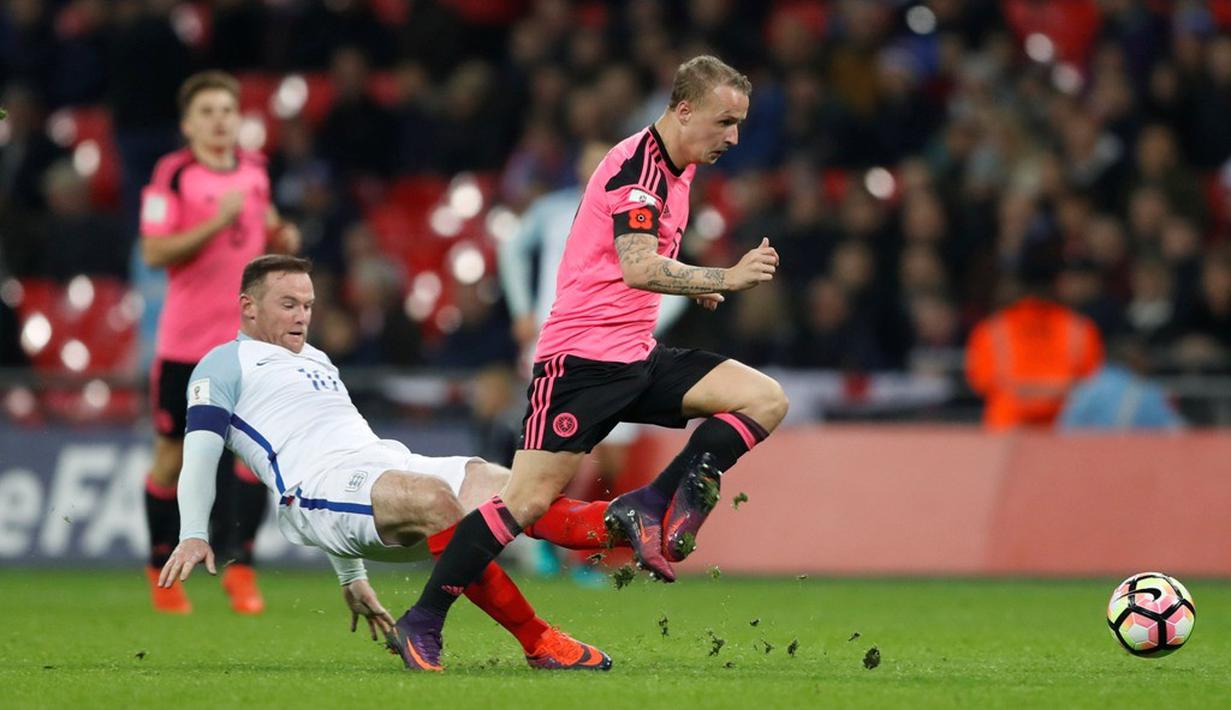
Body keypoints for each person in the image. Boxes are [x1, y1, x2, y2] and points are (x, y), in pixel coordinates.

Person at [393, 55, 789, 670]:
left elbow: (631, 265)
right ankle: (422, 619)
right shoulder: (639, 172)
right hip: (581, 364)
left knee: (765, 398)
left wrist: (694, 285)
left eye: (738, 124)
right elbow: (636, 264)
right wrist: (725, 277)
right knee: (521, 503)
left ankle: (656, 500)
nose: (733, 137)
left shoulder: (678, 166)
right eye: (724, 122)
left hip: (638, 354)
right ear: (684, 110)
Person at [159, 255, 620, 671]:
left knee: (506, 485)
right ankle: (540, 641)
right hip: (310, 492)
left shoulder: (318, 359)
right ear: (249, 306)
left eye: (308, 304)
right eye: (288, 304)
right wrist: (193, 533)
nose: (302, 316)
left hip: (382, 464)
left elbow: (347, 467)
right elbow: (200, 454)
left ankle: (632, 526)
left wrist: (351, 577)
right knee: (433, 498)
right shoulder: (221, 366)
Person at [139, 71, 302, 614]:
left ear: (240, 119)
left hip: (244, 347)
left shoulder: (255, 172)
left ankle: (241, 569)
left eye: (227, 111)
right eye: (206, 112)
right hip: (185, 345)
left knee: (251, 459)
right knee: (171, 458)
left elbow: (267, 226)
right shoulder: (174, 175)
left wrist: (283, 237)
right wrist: (216, 222)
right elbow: (155, 251)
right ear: (188, 124)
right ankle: (161, 564)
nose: (218, 121)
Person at [498, 141, 689, 584]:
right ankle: (543, 545)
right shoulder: (554, 210)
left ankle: (572, 553)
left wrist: (653, 321)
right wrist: (523, 309)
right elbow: (511, 250)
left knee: (611, 461)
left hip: (624, 344)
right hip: (562, 338)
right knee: (565, 454)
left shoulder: (644, 208)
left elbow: (666, 271)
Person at [966, 232, 1104, 430]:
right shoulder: (1081, 329)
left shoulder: (991, 330)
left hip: (1006, 436)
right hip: (1066, 435)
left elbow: (979, 382)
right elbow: (1094, 384)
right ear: (1058, 281)